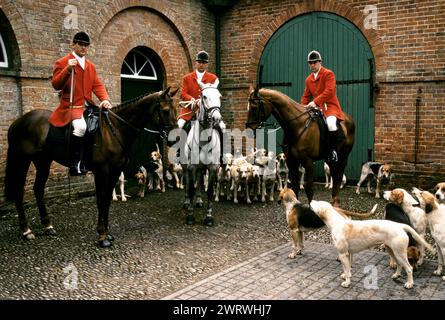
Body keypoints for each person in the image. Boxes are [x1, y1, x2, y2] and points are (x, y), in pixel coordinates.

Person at [49, 31, 112, 176]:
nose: (84, 48)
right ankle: (74, 162)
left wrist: (105, 99)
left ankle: (92, 158)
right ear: (73, 45)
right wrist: (68, 69)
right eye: (80, 44)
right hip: (70, 106)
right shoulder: (63, 62)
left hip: (88, 106)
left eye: (86, 45)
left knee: (103, 124)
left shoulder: (90, 66)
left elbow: (97, 85)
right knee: (81, 127)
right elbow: (56, 85)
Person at [301, 50, 343, 164]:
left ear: (320, 62)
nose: (312, 65)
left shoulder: (328, 73)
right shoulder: (308, 79)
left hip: (330, 106)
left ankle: (333, 151)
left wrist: (315, 102)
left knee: (330, 123)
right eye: (310, 63)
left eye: (314, 62)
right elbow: (305, 96)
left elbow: (329, 91)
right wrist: (302, 108)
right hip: (317, 108)